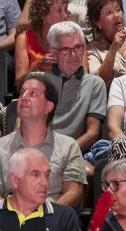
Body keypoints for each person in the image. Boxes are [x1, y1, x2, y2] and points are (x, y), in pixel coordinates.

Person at [0, 72, 85, 209]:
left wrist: (48, 215)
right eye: (22, 93)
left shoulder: (69, 146)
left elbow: (73, 192)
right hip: (12, 221)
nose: (24, 97)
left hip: (53, 220)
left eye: (32, 94)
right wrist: (15, 215)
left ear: (48, 106)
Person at [44, 21, 105, 153]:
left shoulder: (95, 84)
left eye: (78, 47)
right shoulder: (38, 81)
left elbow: (92, 133)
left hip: (73, 152)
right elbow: (21, 124)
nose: (74, 55)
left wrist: (63, 154)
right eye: (66, 49)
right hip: (36, 151)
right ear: (53, 52)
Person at [12, 0, 69, 89]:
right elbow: (19, 83)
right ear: (43, 14)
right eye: (59, 10)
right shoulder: (24, 39)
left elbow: (84, 75)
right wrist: (38, 67)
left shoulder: (73, 38)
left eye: (66, 9)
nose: (65, 15)